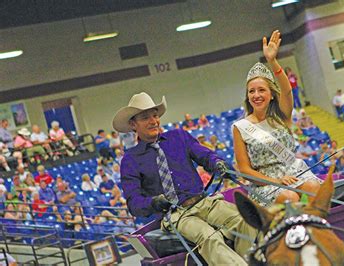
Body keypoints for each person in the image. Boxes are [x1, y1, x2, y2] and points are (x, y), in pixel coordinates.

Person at [113, 91, 257, 265]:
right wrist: (153, 202)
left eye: (155, 115)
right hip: (176, 215)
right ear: (133, 124)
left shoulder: (179, 137)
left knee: (245, 220)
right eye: (145, 118)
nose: (153, 121)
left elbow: (205, 155)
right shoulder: (130, 160)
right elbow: (134, 203)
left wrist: (219, 163)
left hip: (205, 202)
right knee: (208, 236)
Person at [233, 30, 320, 205]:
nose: (256, 95)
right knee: (290, 198)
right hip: (265, 183)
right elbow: (244, 169)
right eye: (252, 91)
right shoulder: (240, 127)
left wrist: (272, 61)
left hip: (295, 173)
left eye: (261, 90)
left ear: (272, 94)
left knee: (313, 188)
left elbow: (287, 90)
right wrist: (277, 181)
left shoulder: (282, 116)